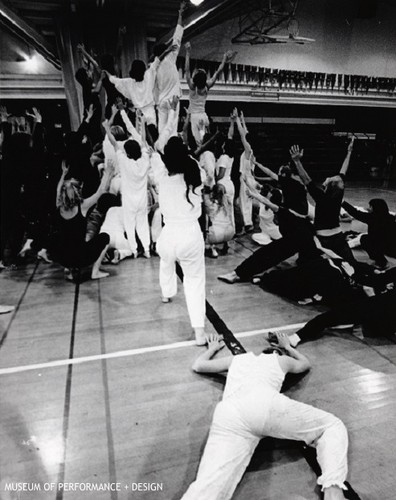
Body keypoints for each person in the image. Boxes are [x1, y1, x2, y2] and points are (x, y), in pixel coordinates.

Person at [181, 333, 349, 500]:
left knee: (208, 484)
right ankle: (333, 490)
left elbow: (198, 365)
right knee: (332, 426)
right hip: (265, 404)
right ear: (276, 351)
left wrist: (212, 349)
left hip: (229, 413)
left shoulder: (236, 360)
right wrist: (288, 348)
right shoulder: (280, 359)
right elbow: (305, 364)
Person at [150, 136, 212, 346]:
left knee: (166, 261)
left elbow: (154, 151)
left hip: (168, 236)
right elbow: (191, 163)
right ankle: (199, 332)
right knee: (194, 282)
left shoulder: (160, 175)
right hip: (190, 234)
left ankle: (166, 294)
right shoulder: (196, 174)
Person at [218, 177, 319, 284]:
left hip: (301, 241)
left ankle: (249, 276)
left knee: (269, 256)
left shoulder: (293, 211)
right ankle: (239, 274)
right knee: (266, 255)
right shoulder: (288, 206)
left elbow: (268, 202)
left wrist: (254, 195)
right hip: (297, 241)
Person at [290, 140, 356, 262]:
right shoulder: (338, 194)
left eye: (329, 178)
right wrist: (349, 152)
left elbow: (306, 179)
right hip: (338, 236)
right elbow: (343, 171)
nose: (329, 177)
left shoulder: (321, 197)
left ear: (327, 186)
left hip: (323, 237)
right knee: (352, 263)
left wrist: (297, 161)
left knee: (306, 263)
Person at [52, 161, 114, 280]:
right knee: (105, 237)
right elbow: (100, 191)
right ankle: (95, 272)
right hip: (80, 257)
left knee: (60, 241)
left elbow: (57, 190)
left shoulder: (59, 205)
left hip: (63, 257)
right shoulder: (82, 206)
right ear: (77, 192)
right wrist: (108, 174)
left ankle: (69, 271)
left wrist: (63, 175)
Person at [103, 110, 151, 259]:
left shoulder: (124, 162)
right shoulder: (144, 161)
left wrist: (106, 128)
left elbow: (114, 143)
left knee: (130, 225)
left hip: (129, 200)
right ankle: (147, 250)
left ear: (128, 153)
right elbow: (143, 142)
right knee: (142, 223)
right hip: (142, 199)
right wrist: (142, 123)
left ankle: (135, 251)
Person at [184, 42, 236, 146]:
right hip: (203, 116)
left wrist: (188, 52)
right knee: (205, 142)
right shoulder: (207, 86)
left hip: (194, 117)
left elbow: (187, 70)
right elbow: (219, 71)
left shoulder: (192, 87)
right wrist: (224, 59)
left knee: (200, 144)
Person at [153, 1, 186, 136]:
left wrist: (155, 103)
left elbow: (153, 87)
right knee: (171, 130)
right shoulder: (171, 57)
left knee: (162, 131)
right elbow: (177, 35)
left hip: (161, 101)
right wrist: (180, 14)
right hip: (173, 99)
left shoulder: (153, 66)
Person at [342, 198, 396, 269]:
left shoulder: (372, 218)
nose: (369, 208)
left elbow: (355, 213)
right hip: (392, 249)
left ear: (374, 207)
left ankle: (382, 263)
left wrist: (343, 203)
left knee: (364, 239)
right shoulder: (391, 217)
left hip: (383, 247)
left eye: (370, 206)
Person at [204, 183, 235, 258]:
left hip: (216, 235)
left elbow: (205, 198)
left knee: (201, 237)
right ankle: (225, 244)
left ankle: (212, 248)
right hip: (230, 233)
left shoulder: (210, 204)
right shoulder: (229, 202)